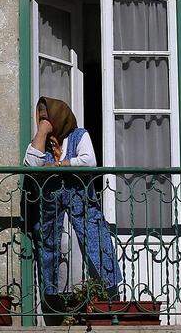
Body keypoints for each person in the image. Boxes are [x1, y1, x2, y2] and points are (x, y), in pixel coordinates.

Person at [21, 96, 122, 299]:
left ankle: (108, 295)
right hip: (50, 204)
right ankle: (52, 298)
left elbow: (89, 160)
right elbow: (31, 165)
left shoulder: (79, 135)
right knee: (49, 243)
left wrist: (60, 164)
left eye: (47, 119)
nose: (44, 123)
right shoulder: (41, 142)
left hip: (80, 199)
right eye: (40, 119)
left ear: (59, 116)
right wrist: (41, 132)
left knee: (95, 238)